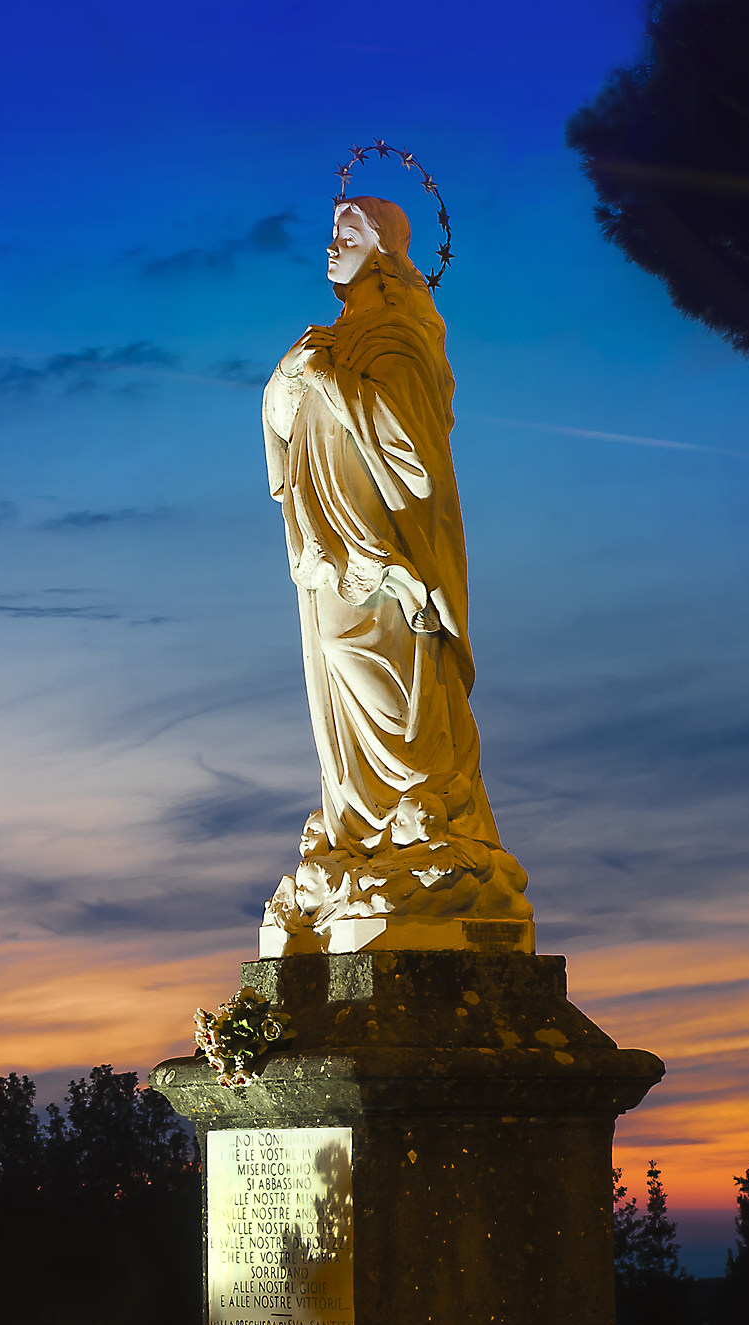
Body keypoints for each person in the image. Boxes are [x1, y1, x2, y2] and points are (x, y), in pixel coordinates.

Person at [259, 195, 529, 954]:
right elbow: (280, 425)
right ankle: (359, 841)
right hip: (326, 558)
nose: (329, 245)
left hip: (387, 557)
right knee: (338, 708)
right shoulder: (329, 338)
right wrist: (289, 382)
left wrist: (327, 382)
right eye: (330, 233)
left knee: (394, 698)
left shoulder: (401, 334)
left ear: (382, 250)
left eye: (346, 233)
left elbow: (408, 445)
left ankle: (422, 829)